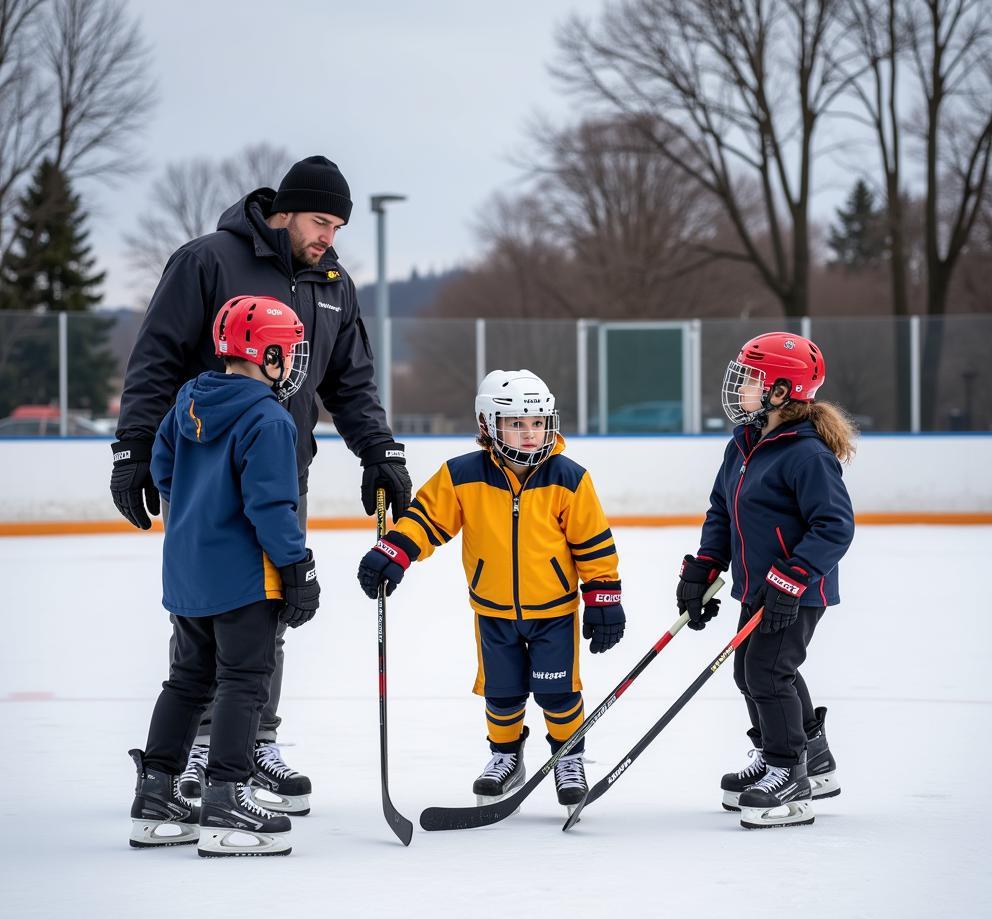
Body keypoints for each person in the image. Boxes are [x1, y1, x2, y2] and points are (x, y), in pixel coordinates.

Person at [110, 156, 412, 812]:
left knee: (264, 616)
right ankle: (200, 752)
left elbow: (350, 383)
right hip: (208, 478)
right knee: (210, 618)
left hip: (282, 471)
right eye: (319, 220)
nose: (329, 236)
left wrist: (379, 454)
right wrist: (135, 449)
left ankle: (250, 746)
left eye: (338, 226)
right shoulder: (209, 261)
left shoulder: (332, 283)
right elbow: (156, 356)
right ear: (284, 210)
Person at [356, 369, 625, 808]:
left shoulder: (569, 478)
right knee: (501, 694)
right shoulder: (462, 475)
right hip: (493, 611)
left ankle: (567, 757)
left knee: (558, 692)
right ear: (488, 424)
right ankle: (505, 757)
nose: (528, 433)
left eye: (537, 423)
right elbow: (427, 519)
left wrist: (604, 598)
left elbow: (593, 543)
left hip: (553, 612)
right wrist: (394, 550)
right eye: (515, 423)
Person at [129, 295, 320, 857]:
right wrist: (296, 569)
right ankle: (227, 796)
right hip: (243, 578)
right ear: (267, 355)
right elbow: (272, 505)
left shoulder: (186, 400)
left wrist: (200, 513)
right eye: (288, 351)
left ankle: (157, 794)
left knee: (187, 681)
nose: (293, 361)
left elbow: (165, 475)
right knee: (243, 680)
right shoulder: (268, 417)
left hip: (187, 573)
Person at [676, 332, 855, 829]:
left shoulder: (807, 454)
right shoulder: (744, 444)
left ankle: (788, 772)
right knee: (751, 670)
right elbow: (722, 510)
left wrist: (793, 577)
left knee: (769, 672)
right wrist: (705, 567)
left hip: (796, 589)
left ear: (782, 390)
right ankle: (809, 757)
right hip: (759, 585)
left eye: (753, 379)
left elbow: (834, 525)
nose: (742, 387)